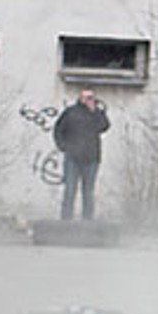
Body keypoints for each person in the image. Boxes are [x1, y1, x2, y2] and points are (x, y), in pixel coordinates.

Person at [52, 89, 110, 220]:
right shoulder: (71, 112)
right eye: (86, 97)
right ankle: (66, 220)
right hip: (73, 157)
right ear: (80, 98)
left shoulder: (97, 113)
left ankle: (87, 221)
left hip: (91, 158)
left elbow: (104, 126)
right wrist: (64, 147)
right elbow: (58, 130)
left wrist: (95, 111)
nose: (89, 100)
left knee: (88, 192)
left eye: (91, 97)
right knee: (70, 190)